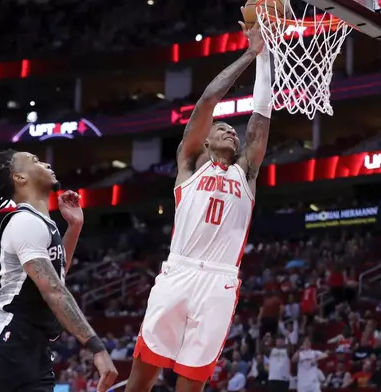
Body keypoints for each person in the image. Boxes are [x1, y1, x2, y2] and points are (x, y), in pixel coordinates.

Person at [124, 12, 272, 392]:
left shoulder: (247, 174)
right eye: (222, 128)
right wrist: (249, 53)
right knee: (140, 381)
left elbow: (260, 116)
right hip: (180, 271)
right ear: (205, 141)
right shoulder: (189, 166)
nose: (231, 132)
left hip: (220, 281)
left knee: (191, 384)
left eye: (233, 132)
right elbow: (209, 100)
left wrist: (267, 56)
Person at [0, 137, 117, 392]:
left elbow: (55, 277)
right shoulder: (25, 222)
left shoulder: (43, 224)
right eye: (36, 161)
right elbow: (53, 290)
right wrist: (96, 348)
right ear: (20, 178)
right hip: (5, 342)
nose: (47, 163)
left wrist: (74, 227)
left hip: (36, 353)